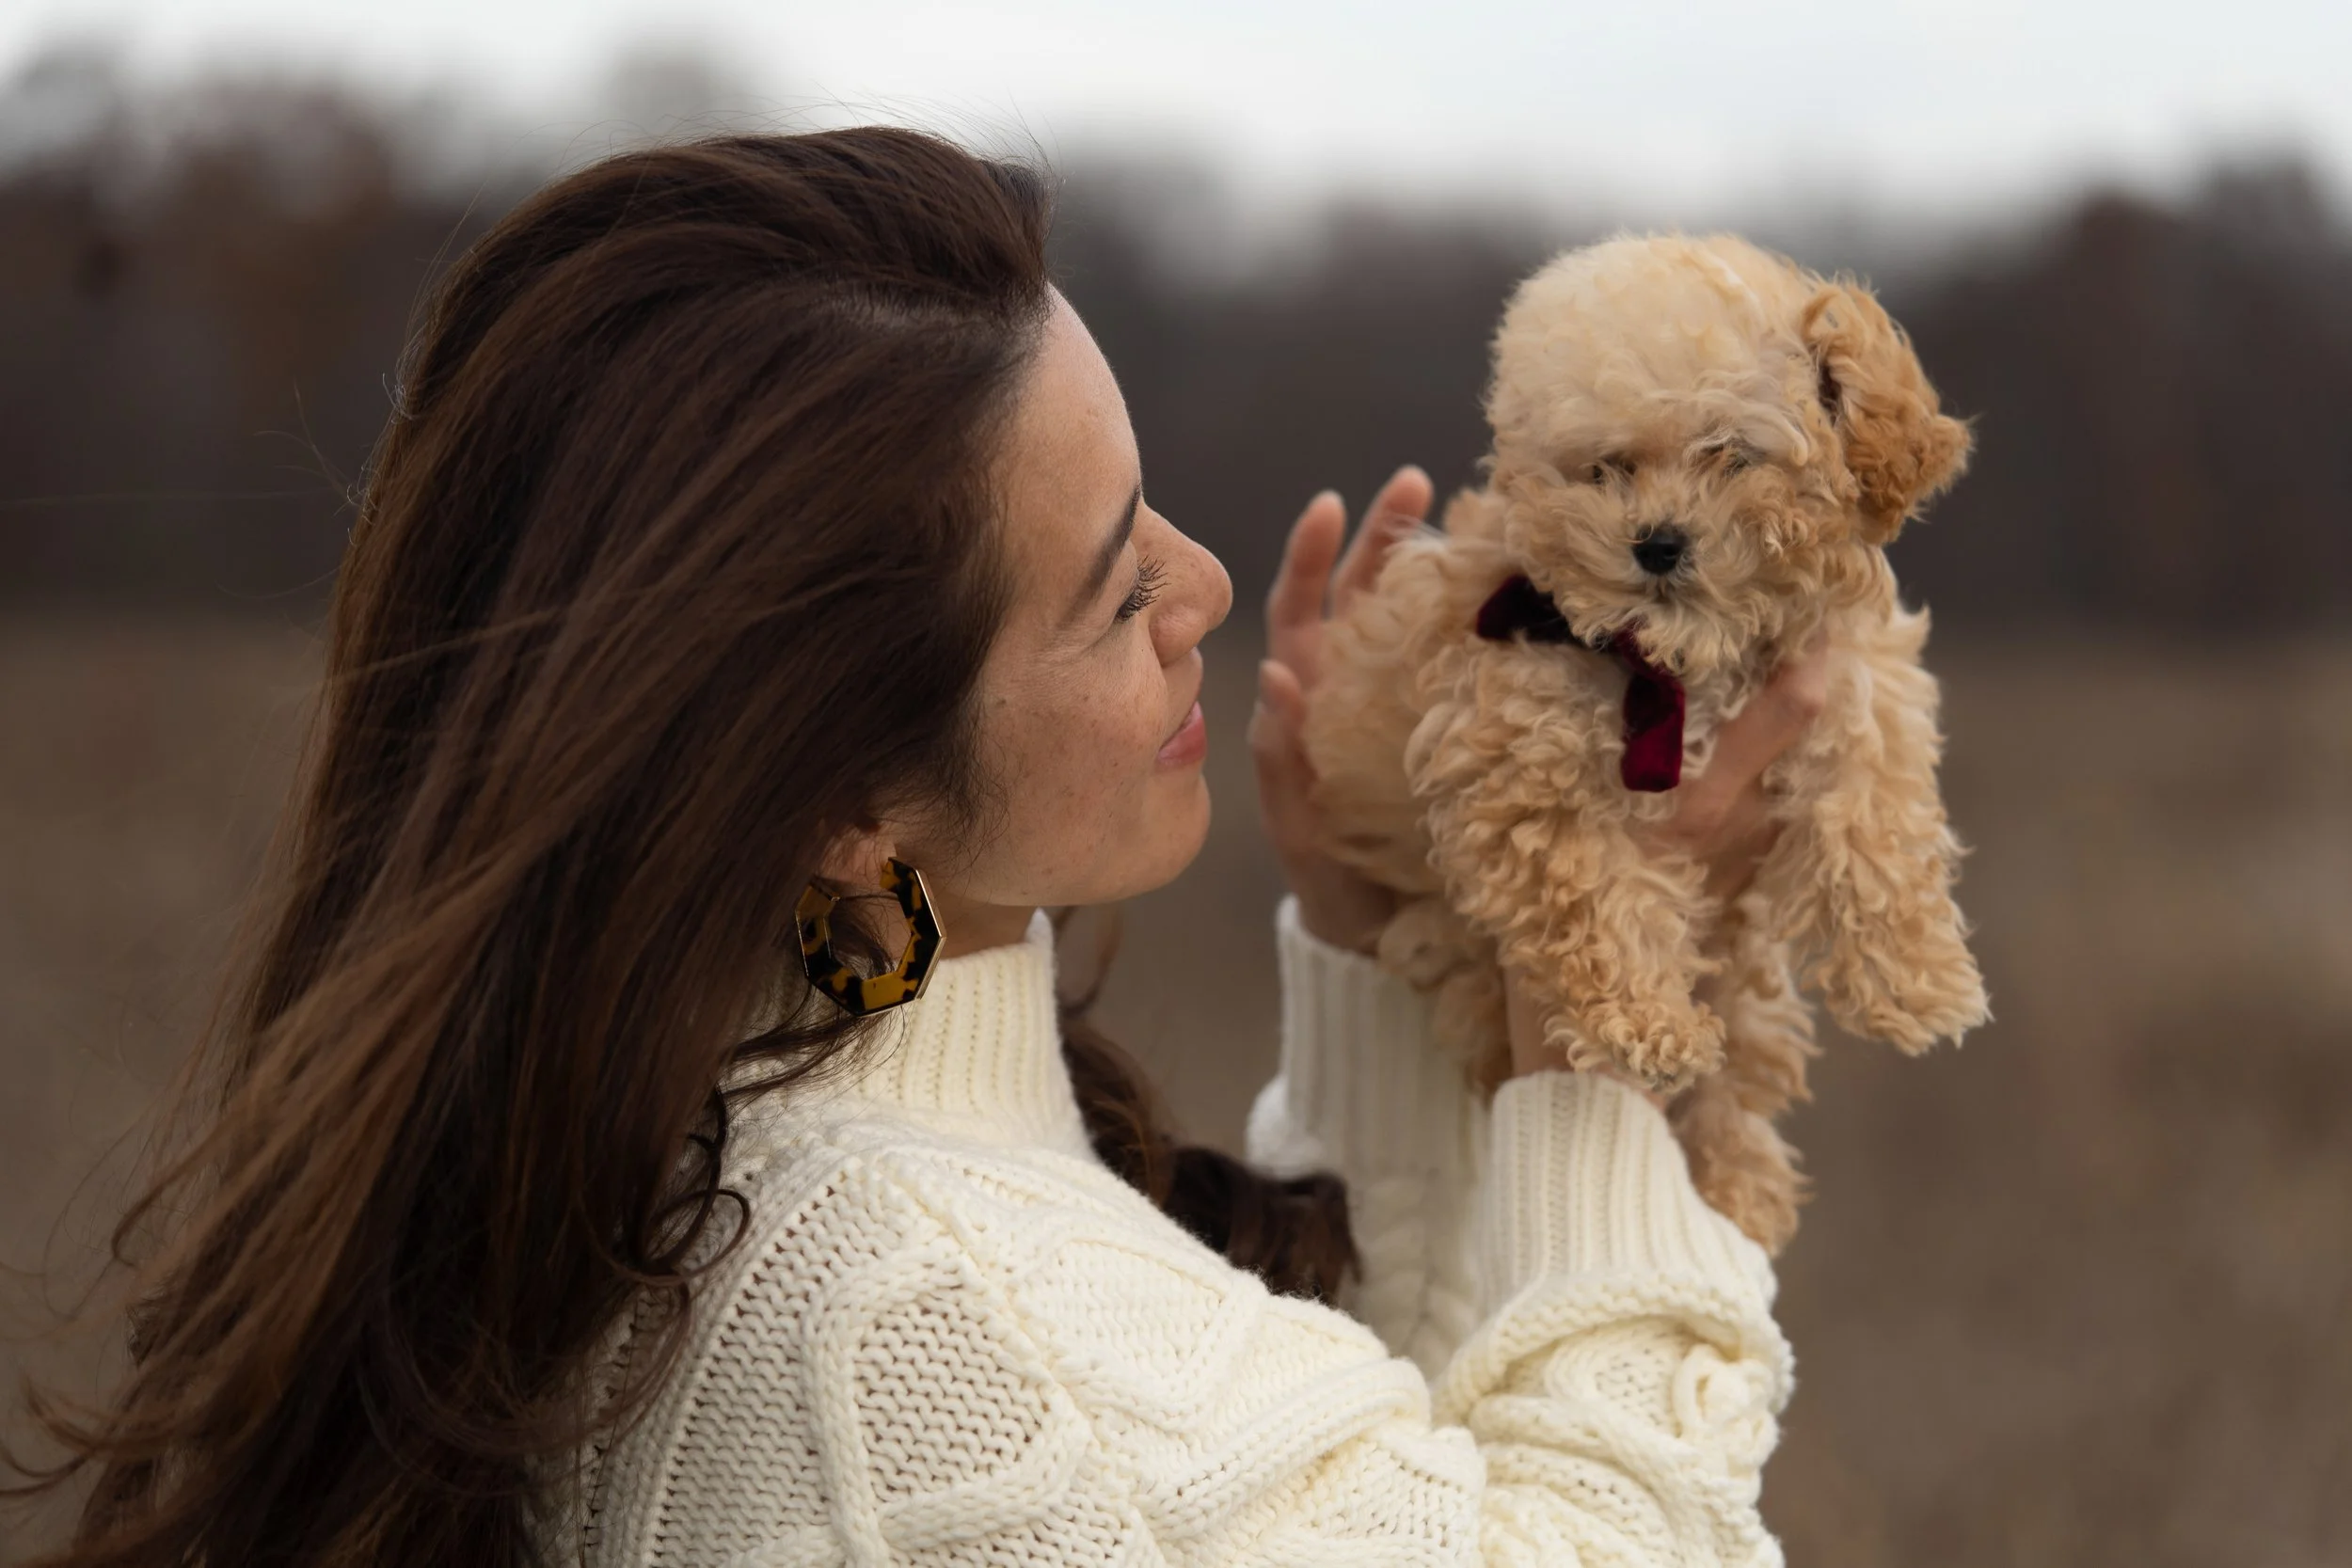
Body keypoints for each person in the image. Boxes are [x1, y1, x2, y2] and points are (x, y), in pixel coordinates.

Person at [13, 128, 1829, 1566]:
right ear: (838, 802)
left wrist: (1375, 958)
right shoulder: (913, 1321)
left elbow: (1348, 1492)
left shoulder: (729, 1124)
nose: (1206, 584)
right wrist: (1598, 1044)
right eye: (1118, 589)